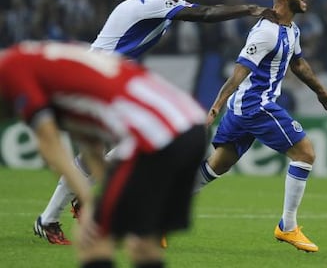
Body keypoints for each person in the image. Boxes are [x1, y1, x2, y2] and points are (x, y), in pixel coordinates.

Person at [33, 0, 277, 245]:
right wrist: (250, 9)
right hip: (92, 80)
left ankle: (65, 209)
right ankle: (53, 217)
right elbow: (206, 13)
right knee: (122, 145)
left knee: (115, 148)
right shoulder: (152, 3)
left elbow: (200, 9)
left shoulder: (163, 0)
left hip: (104, 80)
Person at [0, 41, 207, 268]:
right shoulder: (50, 66)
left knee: (93, 238)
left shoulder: (11, 68)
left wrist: (89, 202)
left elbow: (50, 144)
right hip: (190, 125)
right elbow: (91, 146)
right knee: (142, 243)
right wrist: (100, 198)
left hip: (156, 135)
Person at [192, 0, 327, 253]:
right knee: (305, 153)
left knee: (216, 166)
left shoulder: (291, 30)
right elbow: (239, 73)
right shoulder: (266, 31)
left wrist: (320, 90)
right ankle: (287, 227)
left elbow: (298, 64)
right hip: (255, 105)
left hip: (244, 110)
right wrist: (216, 105)